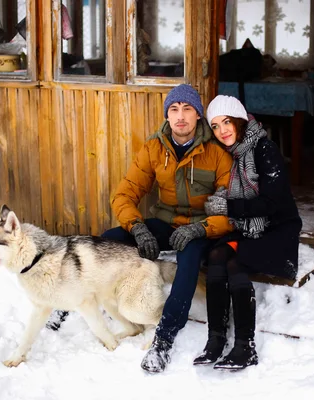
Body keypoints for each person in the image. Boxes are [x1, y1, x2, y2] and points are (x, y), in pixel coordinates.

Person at [102, 84, 234, 373]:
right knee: (109, 240)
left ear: (198, 115)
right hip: (164, 223)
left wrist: (200, 230)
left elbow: (232, 209)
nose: (180, 116)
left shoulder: (216, 153)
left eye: (187, 109)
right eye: (174, 109)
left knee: (187, 266)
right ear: (167, 115)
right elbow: (125, 194)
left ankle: (165, 336)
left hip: (199, 229)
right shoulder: (154, 147)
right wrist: (137, 227)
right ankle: (88, 299)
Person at [192, 95, 302, 371]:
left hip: (277, 229)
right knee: (216, 255)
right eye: (215, 126)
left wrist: (230, 206)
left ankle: (245, 346)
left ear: (239, 120)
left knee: (234, 261)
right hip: (248, 227)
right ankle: (215, 340)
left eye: (226, 122)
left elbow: (273, 203)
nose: (222, 130)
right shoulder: (227, 154)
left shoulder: (264, 149)